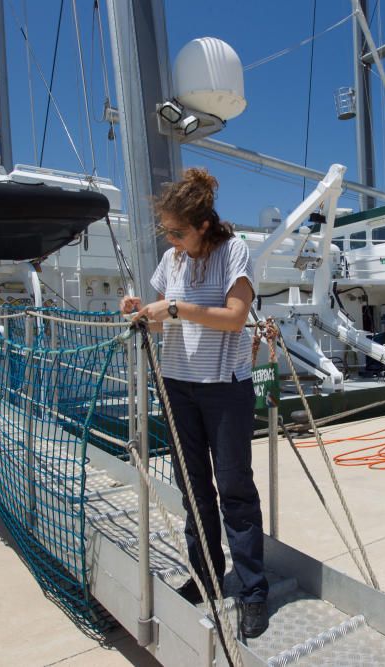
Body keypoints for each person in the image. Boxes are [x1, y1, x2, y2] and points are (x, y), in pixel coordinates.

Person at [119, 167, 270, 639]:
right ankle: (206, 576)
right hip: (177, 386)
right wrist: (142, 311)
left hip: (224, 388)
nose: (171, 237)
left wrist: (177, 308)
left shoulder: (233, 252)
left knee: (234, 490)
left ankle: (252, 592)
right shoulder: (172, 261)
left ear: (203, 225)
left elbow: (235, 318)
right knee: (193, 489)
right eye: (167, 231)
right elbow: (164, 324)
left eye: (178, 230)